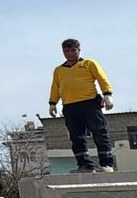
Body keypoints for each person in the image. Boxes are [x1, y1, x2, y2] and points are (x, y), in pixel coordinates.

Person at [49, 38, 115, 173]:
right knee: (76, 136)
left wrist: (107, 94)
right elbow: (55, 87)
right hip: (70, 106)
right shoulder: (59, 70)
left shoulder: (89, 63)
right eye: (66, 51)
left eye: (73, 50)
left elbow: (102, 78)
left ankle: (106, 164)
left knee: (99, 132)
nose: (70, 53)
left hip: (90, 103)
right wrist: (52, 103)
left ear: (79, 50)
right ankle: (84, 165)